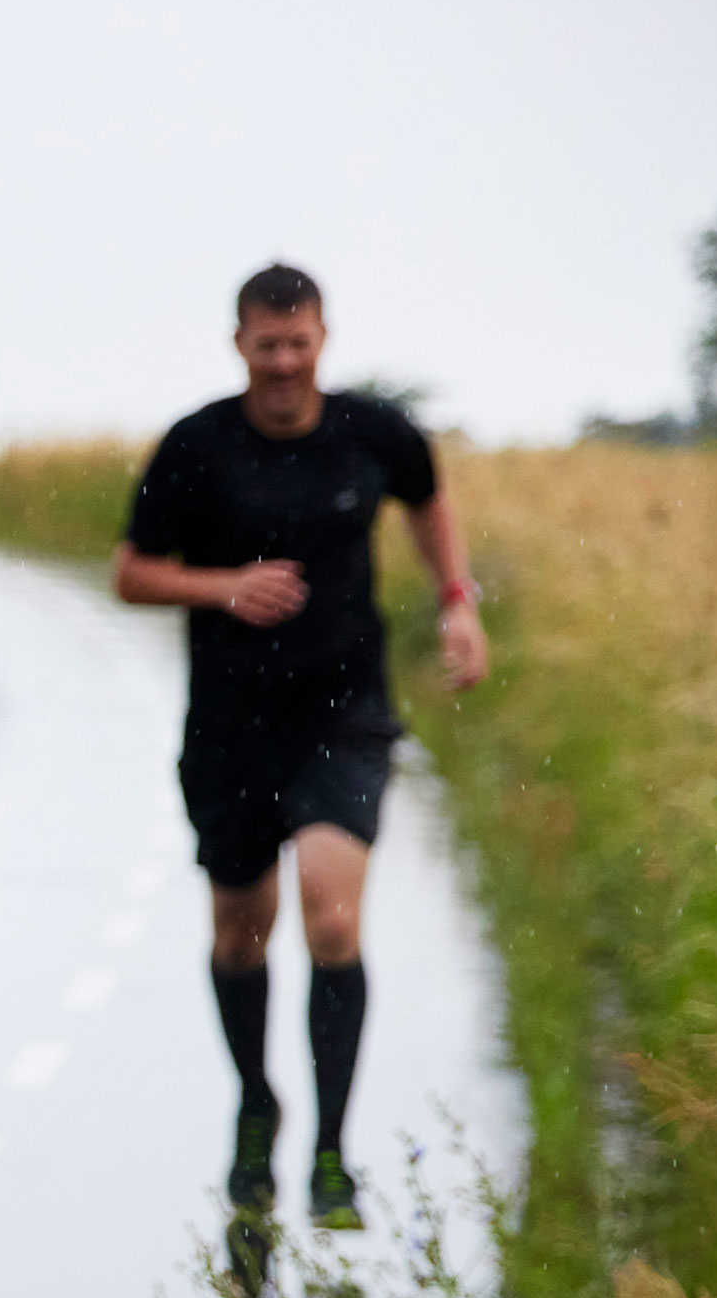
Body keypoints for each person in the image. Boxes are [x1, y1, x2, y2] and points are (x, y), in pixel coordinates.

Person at [114, 263, 488, 1228]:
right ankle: (255, 1102)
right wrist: (222, 587)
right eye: (266, 345)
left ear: (323, 339)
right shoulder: (197, 445)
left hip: (343, 714)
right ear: (239, 344)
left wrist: (457, 602)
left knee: (331, 919)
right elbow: (131, 573)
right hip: (230, 725)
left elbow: (428, 497)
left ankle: (329, 1150)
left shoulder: (375, 432)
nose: (283, 362)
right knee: (240, 932)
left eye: (298, 343)